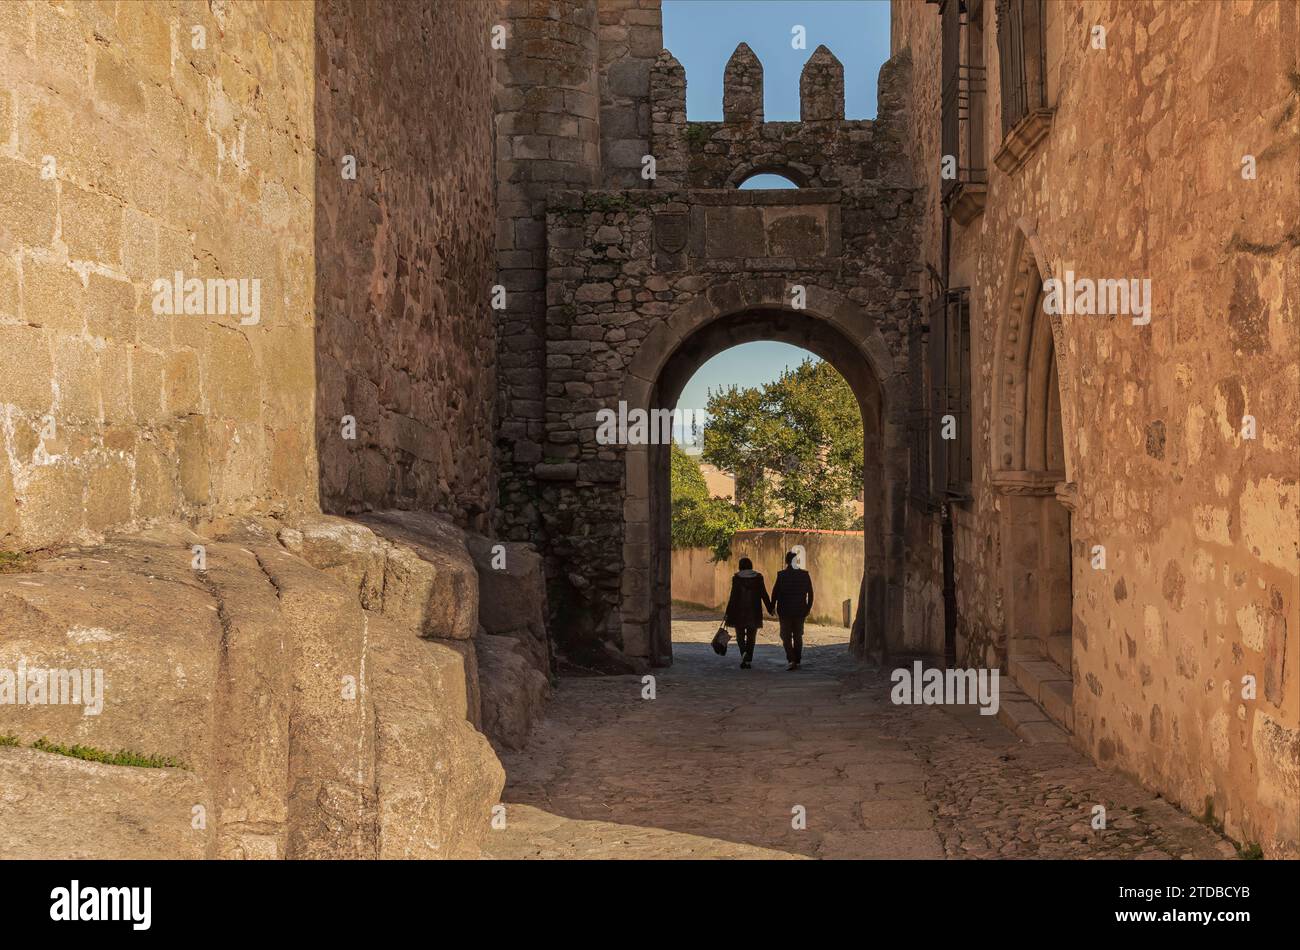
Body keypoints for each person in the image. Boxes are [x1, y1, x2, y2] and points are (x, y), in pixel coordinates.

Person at [723, 556, 772, 669]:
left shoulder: (736, 578)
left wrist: (728, 612)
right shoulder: (758, 578)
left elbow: (733, 597)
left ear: (740, 566)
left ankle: (744, 654)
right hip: (754, 611)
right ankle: (748, 660)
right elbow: (764, 594)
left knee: (740, 637)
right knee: (751, 637)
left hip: (738, 612)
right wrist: (770, 608)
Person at [770, 550, 814, 670]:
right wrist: (808, 607)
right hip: (800, 610)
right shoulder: (805, 575)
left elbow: (775, 593)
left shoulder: (781, 575)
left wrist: (771, 606)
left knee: (786, 636)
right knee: (798, 635)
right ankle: (797, 659)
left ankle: (791, 659)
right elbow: (810, 593)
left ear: (786, 561)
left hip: (785, 610)